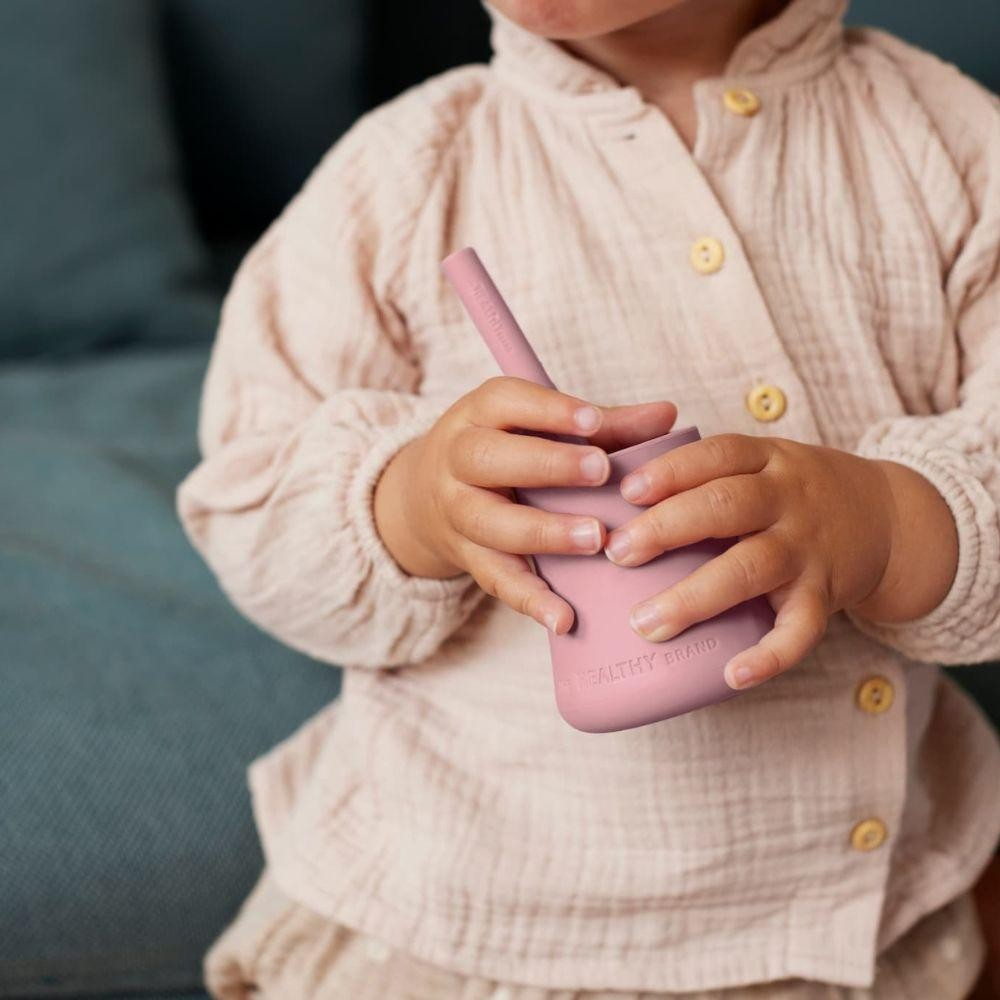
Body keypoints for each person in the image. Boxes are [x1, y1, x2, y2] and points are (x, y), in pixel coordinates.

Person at [176, 0, 1000, 996]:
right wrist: (414, 505)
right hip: (458, 926)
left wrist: (884, 522)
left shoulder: (950, 145)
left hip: (846, 928)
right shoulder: (402, 175)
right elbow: (249, 502)